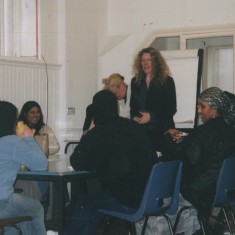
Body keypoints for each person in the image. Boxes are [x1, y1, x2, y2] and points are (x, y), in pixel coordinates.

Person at [64, 90, 157, 235]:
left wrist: (90, 128)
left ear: (96, 110)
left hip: (129, 200)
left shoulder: (99, 132)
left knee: (85, 202)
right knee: (94, 203)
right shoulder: (133, 126)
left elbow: (77, 161)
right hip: (150, 195)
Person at [165, 87, 235, 233]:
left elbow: (184, 163)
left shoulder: (202, 133)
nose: (199, 111)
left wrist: (174, 144)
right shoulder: (230, 130)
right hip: (222, 190)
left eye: (202, 106)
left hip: (200, 191)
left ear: (214, 108)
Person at [0, 100, 48, 235]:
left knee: (21, 214)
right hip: (2, 202)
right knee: (37, 208)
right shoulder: (12, 141)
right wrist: (28, 138)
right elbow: (41, 165)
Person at [15, 101, 60, 215]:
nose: (36, 115)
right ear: (25, 114)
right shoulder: (20, 128)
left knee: (54, 181)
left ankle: (53, 214)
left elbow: (56, 146)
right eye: (32, 112)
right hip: (25, 169)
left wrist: (36, 148)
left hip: (41, 167)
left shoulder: (44, 128)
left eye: (38, 112)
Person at [130, 47, 177, 152]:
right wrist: (134, 117)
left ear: (156, 62)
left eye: (149, 60)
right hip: (141, 132)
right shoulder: (135, 81)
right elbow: (133, 106)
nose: (145, 63)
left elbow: (171, 109)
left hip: (162, 131)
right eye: (143, 60)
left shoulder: (167, 81)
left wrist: (151, 116)